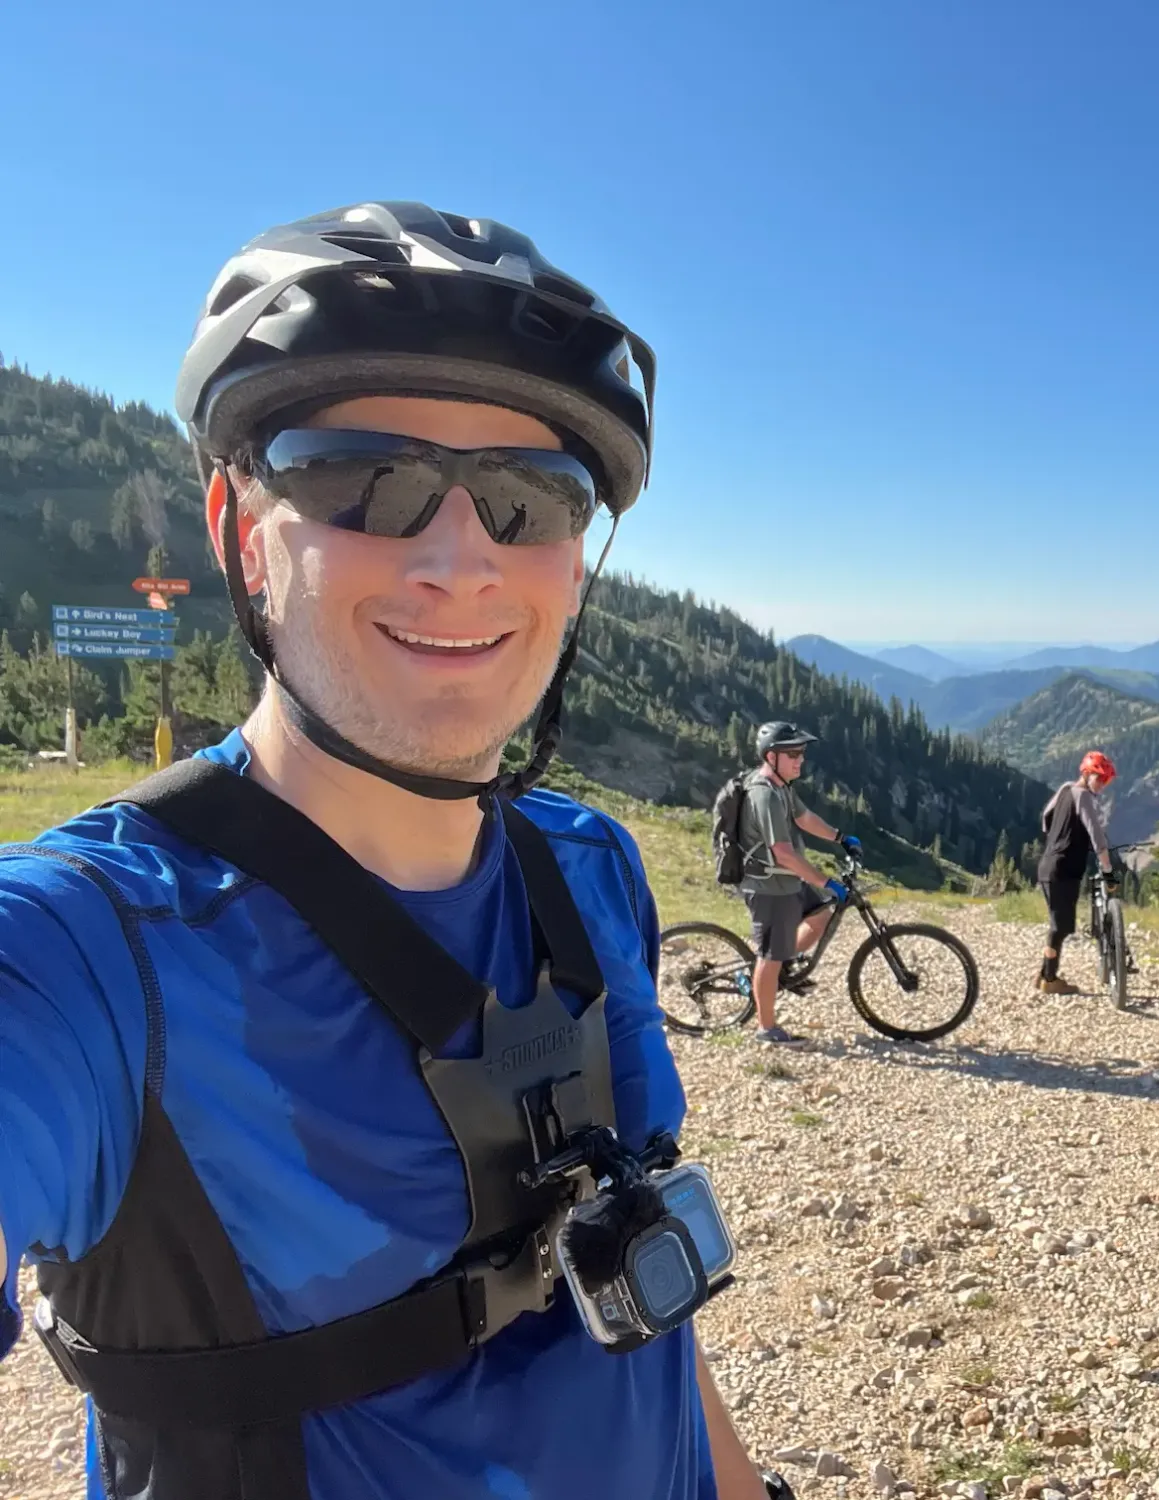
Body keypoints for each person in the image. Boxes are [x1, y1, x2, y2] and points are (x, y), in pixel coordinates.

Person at [0, 204, 765, 1500]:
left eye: (532, 498)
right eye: (361, 477)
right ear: (241, 527)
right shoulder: (82, 955)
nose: (459, 560)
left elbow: (628, 1292)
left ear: (579, 561)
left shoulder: (589, 869)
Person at [736, 720, 863, 1043]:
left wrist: (840, 837)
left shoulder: (782, 787)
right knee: (770, 954)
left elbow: (804, 819)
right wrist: (826, 881)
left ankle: (779, 967)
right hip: (767, 885)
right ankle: (766, 1027)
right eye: (792, 753)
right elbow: (784, 854)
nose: (800, 759)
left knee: (820, 914)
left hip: (787, 880)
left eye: (801, 753)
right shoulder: (764, 794)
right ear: (771, 756)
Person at [1034, 749, 1119, 994]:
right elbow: (1097, 837)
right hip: (1063, 869)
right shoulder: (1083, 796)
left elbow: (1046, 818)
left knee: (1060, 924)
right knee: (1060, 927)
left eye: (1105, 781)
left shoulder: (1065, 789)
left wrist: (1061, 836)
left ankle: (1042, 974)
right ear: (1087, 772)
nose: (1102, 785)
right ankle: (1049, 979)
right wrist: (1108, 871)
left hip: (1049, 864)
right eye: (1099, 778)